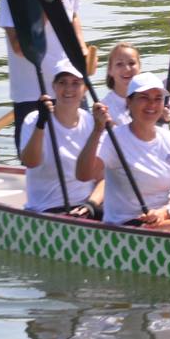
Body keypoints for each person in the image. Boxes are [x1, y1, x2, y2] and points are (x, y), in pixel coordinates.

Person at [0, 0, 87, 151]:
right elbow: (19, 47)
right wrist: (47, 6)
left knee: (83, 153)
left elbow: (74, 15)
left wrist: (82, 47)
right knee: (35, 159)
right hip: (33, 92)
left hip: (70, 86)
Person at [75, 71, 170, 228]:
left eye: (157, 99)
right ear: (129, 102)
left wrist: (165, 211)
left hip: (160, 218)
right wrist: (97, 130)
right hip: (123, 224)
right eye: (144, 98)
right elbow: (83, 175)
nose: (152, 105)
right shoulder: (113, 139)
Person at [18, 58, 103, 219]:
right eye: (62, 82)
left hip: (85, 208)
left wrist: (91, 204)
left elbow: (103, 178)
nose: (68, 88)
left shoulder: (92, 122)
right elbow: (30, 162)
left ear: (85, 88)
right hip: (46, 210)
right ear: (54, 87)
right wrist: (41, 124)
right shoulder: (34, 119)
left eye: (75, 83)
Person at [103, 40, 170, 127]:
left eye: (132, 63)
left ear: (140, 67)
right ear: (110, 70)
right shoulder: (104, 109)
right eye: (119, 64)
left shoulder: (157, 92)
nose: (127, 69)